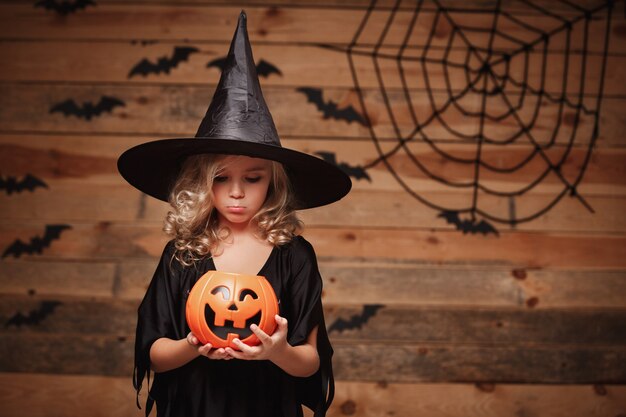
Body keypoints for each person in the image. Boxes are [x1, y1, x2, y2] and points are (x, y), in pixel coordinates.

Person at [117, 10, 351, 417]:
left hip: (267, 405)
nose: (238, 192)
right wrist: (193, 344)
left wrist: (276, 352)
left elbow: (310, 359)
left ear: (273, 183)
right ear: (202, 182)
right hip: (196, 405)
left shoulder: (295, 255)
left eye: (254, 178)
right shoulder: (183, 253)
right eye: (222, 178)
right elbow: (155, 353)